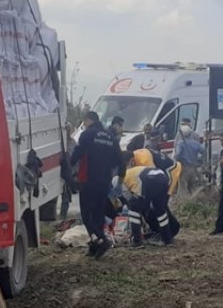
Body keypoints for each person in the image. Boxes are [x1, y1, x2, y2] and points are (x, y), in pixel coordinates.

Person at [70, 111, 121, 258]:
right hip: (104, 181)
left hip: (88, 180)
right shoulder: (110, 137)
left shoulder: (87, 134)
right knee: (98, 214)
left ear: (87, 120)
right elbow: (117, 160)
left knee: (87, 215)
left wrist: (68, 165)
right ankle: (94, 248)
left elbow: (78, 153)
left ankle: (101, 240)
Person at [123, 148, 180, 246]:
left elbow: (145, 180)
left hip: (169, 172)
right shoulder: (136, 160)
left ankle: (137, 241)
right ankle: (167, 239)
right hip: (161, 176)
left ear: (131, 160)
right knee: (159, 208)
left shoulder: (143, 159)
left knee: (135, 208)